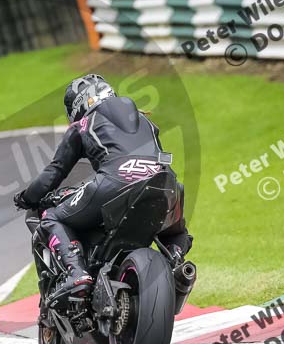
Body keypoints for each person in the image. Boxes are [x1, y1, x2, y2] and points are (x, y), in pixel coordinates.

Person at [13, 74, 192, 301]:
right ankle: (175, 261)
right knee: (178, 233)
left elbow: (55, 171)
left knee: (51, 217)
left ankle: (77, 273)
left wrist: (27, 198)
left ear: (79, 104)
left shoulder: (83, 124)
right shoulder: (146, 121)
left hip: (115, 182)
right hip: (166, 183)